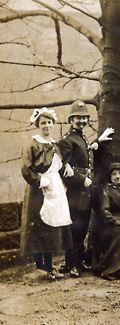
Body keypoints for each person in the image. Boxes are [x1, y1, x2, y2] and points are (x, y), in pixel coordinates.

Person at [58, 99, 114, 277]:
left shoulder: (82, 138)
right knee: (76, 228)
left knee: (81, 228)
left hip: (86, 191)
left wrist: (98, 142)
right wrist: (81, 179)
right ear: (71, 120)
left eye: (84, 119)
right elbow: (61, 167)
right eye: (78, 119)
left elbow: (87, 155)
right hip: (75, 192)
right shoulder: (67, 141)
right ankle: (72, 264)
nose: (82, 122)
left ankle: (76, 261)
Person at [21, 108, 73, 280]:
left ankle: (50, 266)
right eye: (43, 123)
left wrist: (67, 165)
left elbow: (59, 162)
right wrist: (40, 181)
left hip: (55, 188)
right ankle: (40, 266)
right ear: (38, 125)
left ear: (53, 125)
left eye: (49, 123)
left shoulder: (54, 144)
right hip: (39, 189)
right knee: (38, 224)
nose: (46, 126)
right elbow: (26, 168)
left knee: (51, 225)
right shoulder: (33, 144)